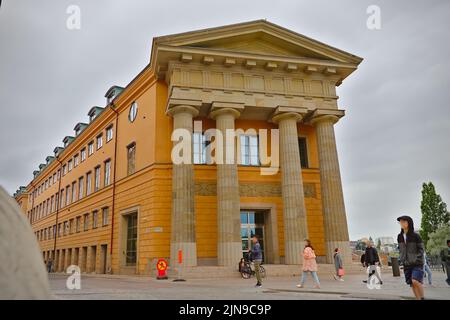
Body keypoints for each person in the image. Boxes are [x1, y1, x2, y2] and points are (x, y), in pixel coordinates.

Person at [397, 215, 425, 300]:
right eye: (400, 222)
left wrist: (416, 258)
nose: (401, 223)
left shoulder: (416, 236)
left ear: (409, 223)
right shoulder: (400, 236)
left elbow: (421, 249)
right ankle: (418, 299)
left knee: (415, 281)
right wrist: (402, 259)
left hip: (417, 263)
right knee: (412, 284)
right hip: (406, 264)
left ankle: (422, 297)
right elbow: (401, 250)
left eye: (404, 221)